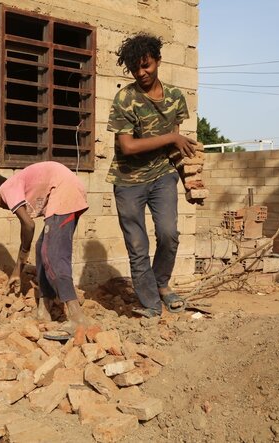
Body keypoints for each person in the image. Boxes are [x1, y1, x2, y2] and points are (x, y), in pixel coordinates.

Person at [106, 33, 198, 318]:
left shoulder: (175, 97)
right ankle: (150, 305)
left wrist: (189, 182)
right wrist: (170, 136)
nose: (141, 73)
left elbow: (177, 147)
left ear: (158, 60)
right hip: (128, 181)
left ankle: (161, 284)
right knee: (137, 245)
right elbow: (128, 146)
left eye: (146, 66)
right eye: (135, 68)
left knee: (169, 234)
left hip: (162, 176)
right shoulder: (125, 98)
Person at [0, 161, 89, 338]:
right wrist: (18, 269)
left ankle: (77, 316)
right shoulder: (17, 184)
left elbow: (28, 225)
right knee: (41, 249)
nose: (2, 207)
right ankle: (44, 309)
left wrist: (18, 266)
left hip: (64, 191)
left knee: (53, 256)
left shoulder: (8, 187)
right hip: (65, 192)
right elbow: (27, 229)